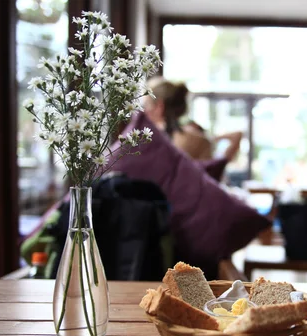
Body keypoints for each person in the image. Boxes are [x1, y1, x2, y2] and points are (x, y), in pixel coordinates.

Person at [106, 77, 271, 279]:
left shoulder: (150, 146)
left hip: (165, 241)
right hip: (194, 237)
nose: (141, 112)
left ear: (158, 106)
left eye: (145, 105)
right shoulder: (196, 138)